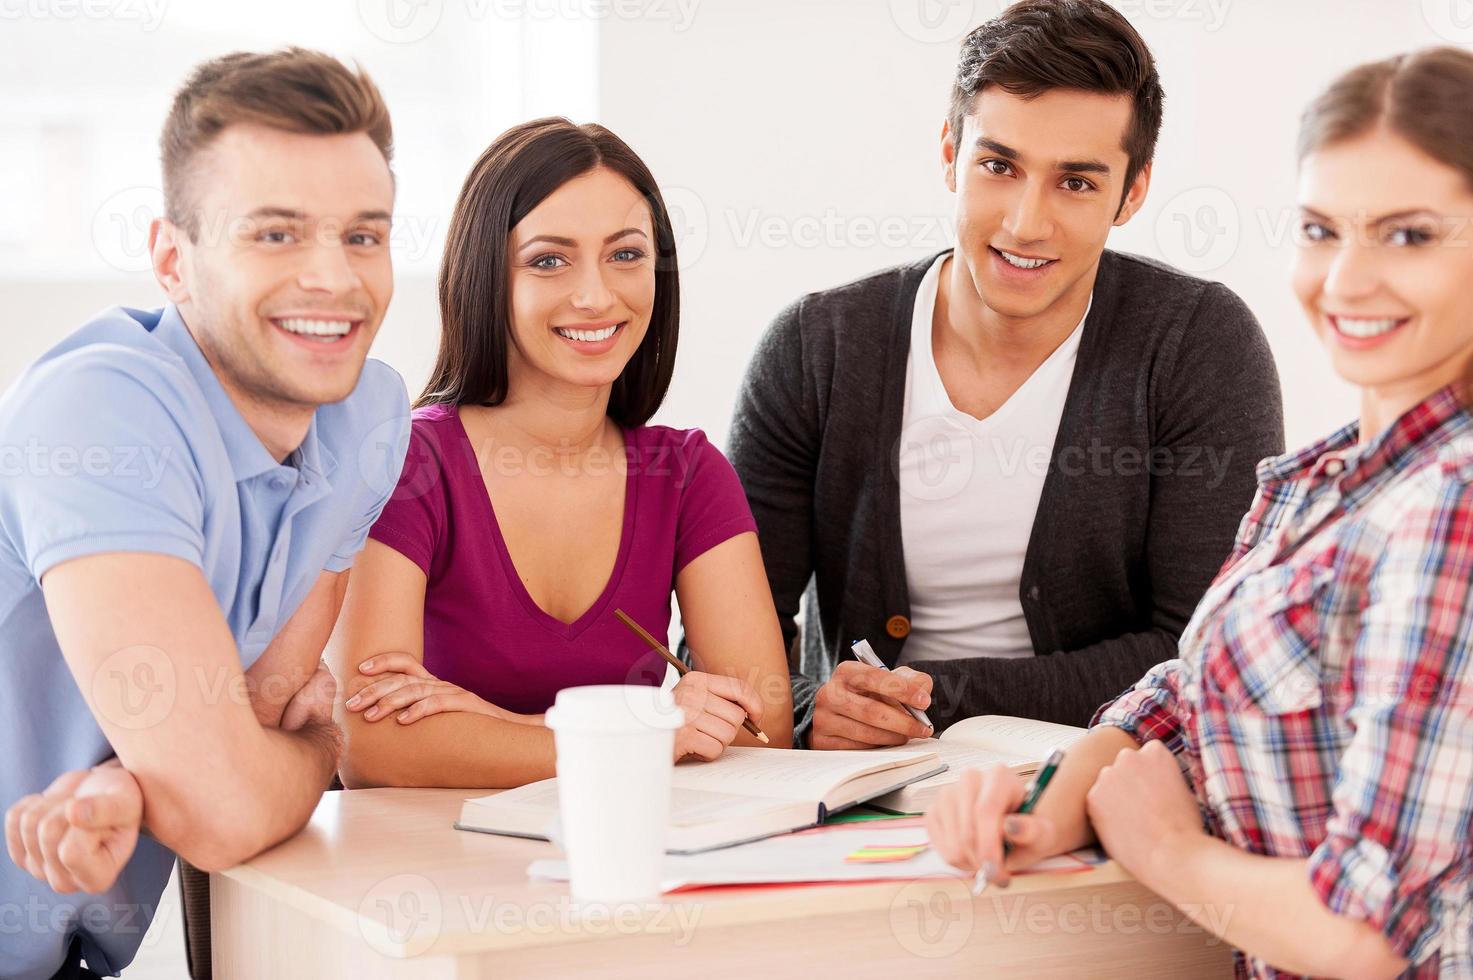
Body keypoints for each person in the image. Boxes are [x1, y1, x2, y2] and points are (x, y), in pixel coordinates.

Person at [927, 46, 1473, 980]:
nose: (1345, 281)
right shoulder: (1328, 475)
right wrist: (1057, 798)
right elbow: (1186, 688)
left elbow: (1368, 934)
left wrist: (1165, 850)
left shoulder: (1449, 506)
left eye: (1408, 235)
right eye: (1318, 229)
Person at [725, 0, 1284, 748]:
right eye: (998, 165)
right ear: (950, 153)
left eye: (1075, 183)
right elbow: (723, 640)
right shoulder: (815, 349)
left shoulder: (1196, 345)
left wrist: (938, 699)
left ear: (1133, 191)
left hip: (1105, 775)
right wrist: (805, 707)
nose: (1026, 222)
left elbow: (1200, 648)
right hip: (860, 788)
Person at [0, 48, 410, 979]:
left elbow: (256, 709)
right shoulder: (98, 414)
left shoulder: (370, 421)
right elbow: (225, 802)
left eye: (363, 235)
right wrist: (323, 745)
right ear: (172, 260)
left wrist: (183, 767)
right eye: (276, 235)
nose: (334, 280)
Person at [328, 118, 793, 790]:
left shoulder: (687, 475)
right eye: (549, 260)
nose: (596, 295)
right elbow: (371, 750)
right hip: (432, 876)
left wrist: (492, 726)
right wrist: (639, 729)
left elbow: (760, 730)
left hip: (622, 863)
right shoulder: (408, 461)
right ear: (486, 276)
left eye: (626, 255)